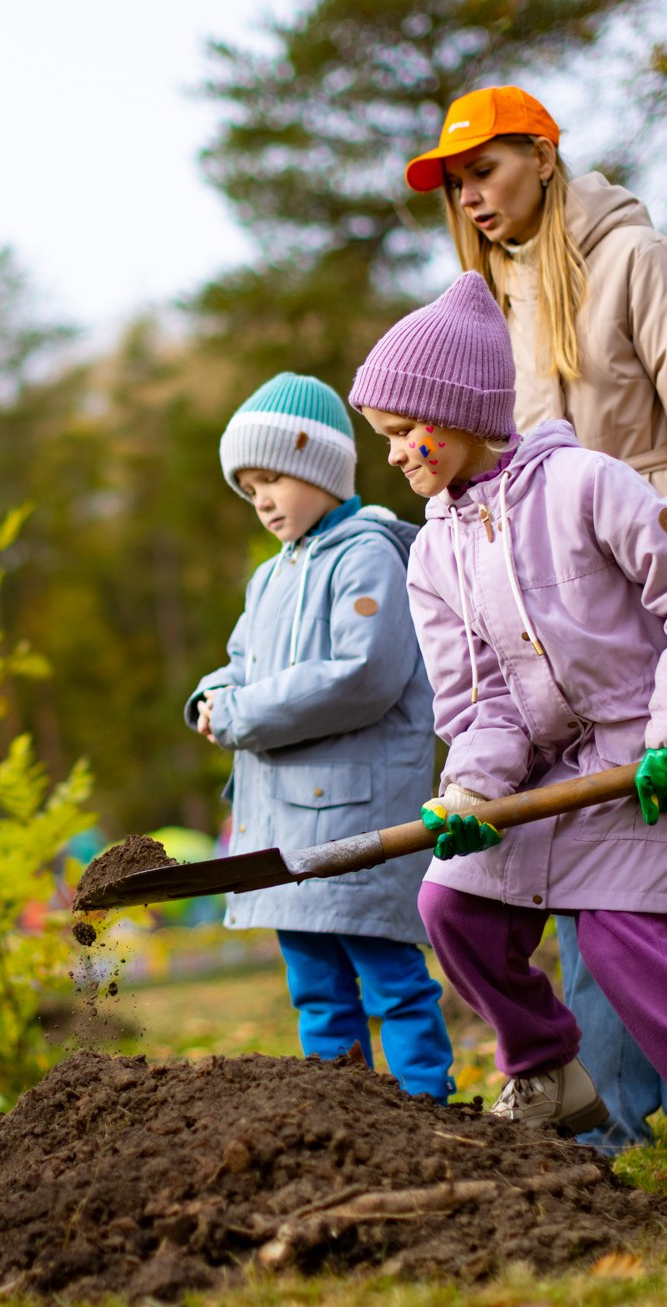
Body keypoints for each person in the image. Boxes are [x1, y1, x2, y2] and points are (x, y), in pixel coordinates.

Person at [351, 272, 667, 1197]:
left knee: (627, 948)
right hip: (540, 772)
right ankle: (547, 1073)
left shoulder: (581, 485)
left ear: (449, 417)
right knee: (451, 904)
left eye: (397, 436)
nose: (394, 460)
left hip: (640, 757)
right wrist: (471, 792)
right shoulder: (432, 550)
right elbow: (482, 703)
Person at [410, 84, 667, 1157]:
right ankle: (614, 1111)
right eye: (458, 185)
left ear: (545, 155)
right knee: (573, 873)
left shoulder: (637, 261)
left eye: (488, 171)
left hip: (656, 589)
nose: (473, 199)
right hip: (552, 617)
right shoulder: (485, 303)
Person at [184, 373, 454, 1098]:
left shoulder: (368, 556)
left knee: (389, 979)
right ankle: (341, 1114)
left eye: (272, 478)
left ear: (322, 469)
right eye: (248, 489)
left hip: (354, 820)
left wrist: (238, 715)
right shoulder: (268, 577)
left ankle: (426, 1103)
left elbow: (359, 674)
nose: (262, 501)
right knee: (314, 988)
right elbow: (240, 665)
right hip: (282, 826)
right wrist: (211, 696)